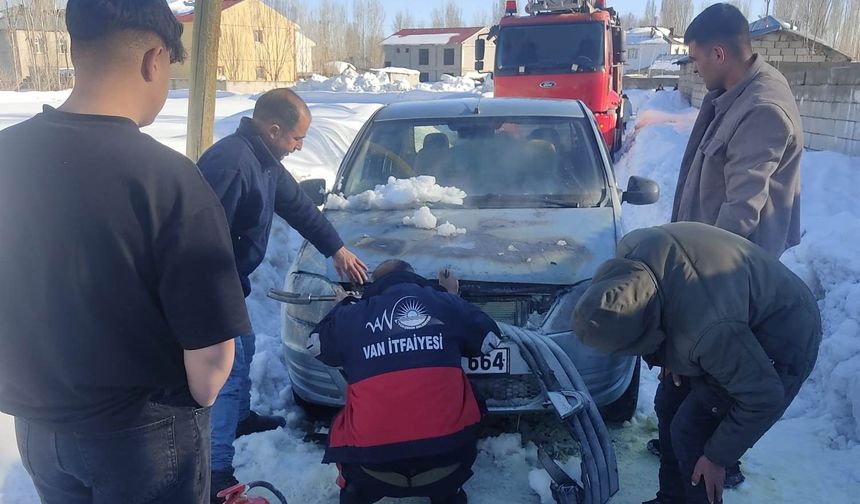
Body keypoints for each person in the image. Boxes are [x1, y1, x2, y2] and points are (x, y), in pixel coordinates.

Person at [0, 1, 251, 503]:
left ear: (76, 49)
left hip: (37, 425)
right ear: (154, 59)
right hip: (143, 435)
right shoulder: (169, 180)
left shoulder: (6, 155)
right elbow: (210, 363)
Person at [196, 87, 368, 499]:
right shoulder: (231, 163)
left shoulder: (264, 161)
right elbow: (196, 236)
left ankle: (239, 420)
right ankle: (216, 469)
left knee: (248, 348)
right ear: (273, 130)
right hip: (209, 286)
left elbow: (299, 209)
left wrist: (337, 250)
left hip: (229, 283)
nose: (299, 146)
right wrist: (213, 294)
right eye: (296, 139)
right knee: (230, 370)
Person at [573, 223, 822, 504]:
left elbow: (763, 396)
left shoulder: (707, 330)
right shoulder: (632, 253)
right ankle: (672, 499)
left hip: (783, 331)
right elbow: (679, 305)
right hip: (728, 311)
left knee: (691, 430)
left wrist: (717, 457)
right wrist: (669, 351)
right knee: (669, 399)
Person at [309, 260, 502, 504]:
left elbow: (315, 346)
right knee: (471, 393)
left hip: (370, 469)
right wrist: (449, 297)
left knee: (349, 413)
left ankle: (355, 493)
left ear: (374, 284)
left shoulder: (352, 315)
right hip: (448, 465)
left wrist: (343, 306)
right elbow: (491, 339)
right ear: (414, 277)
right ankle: (448, 494)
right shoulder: (445, 303)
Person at [672, 3, 803, 258]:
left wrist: (698, 272)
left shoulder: (763, 110)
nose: (695, 69)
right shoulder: (733, 93)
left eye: (696, 59)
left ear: (719, 55)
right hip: (705, 256)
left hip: (727, 274)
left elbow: (739, 215)